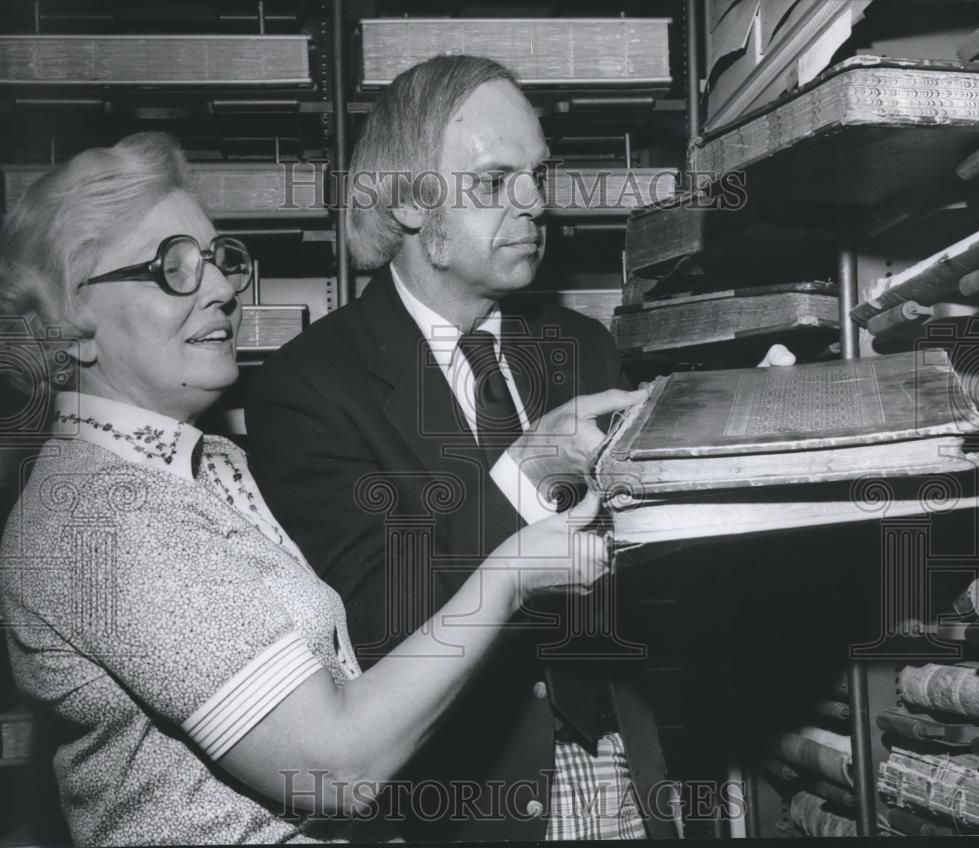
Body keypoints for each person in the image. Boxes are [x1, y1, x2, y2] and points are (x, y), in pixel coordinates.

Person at [0, 131, 612, 846]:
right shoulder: (106, 517)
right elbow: (337, 769)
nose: (225, 288)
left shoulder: (204, 465)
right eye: (174, 268)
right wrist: (509, 574)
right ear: (73, 323)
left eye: (219, 260)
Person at [245, 55, 682, 842]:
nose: (537, 204)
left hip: (614, 769)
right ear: (412, 205)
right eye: (494, 182)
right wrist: (529, 471)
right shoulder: (306, 391)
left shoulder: (582, 349)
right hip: (464, 803)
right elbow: (372, 629)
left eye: (539, 175)